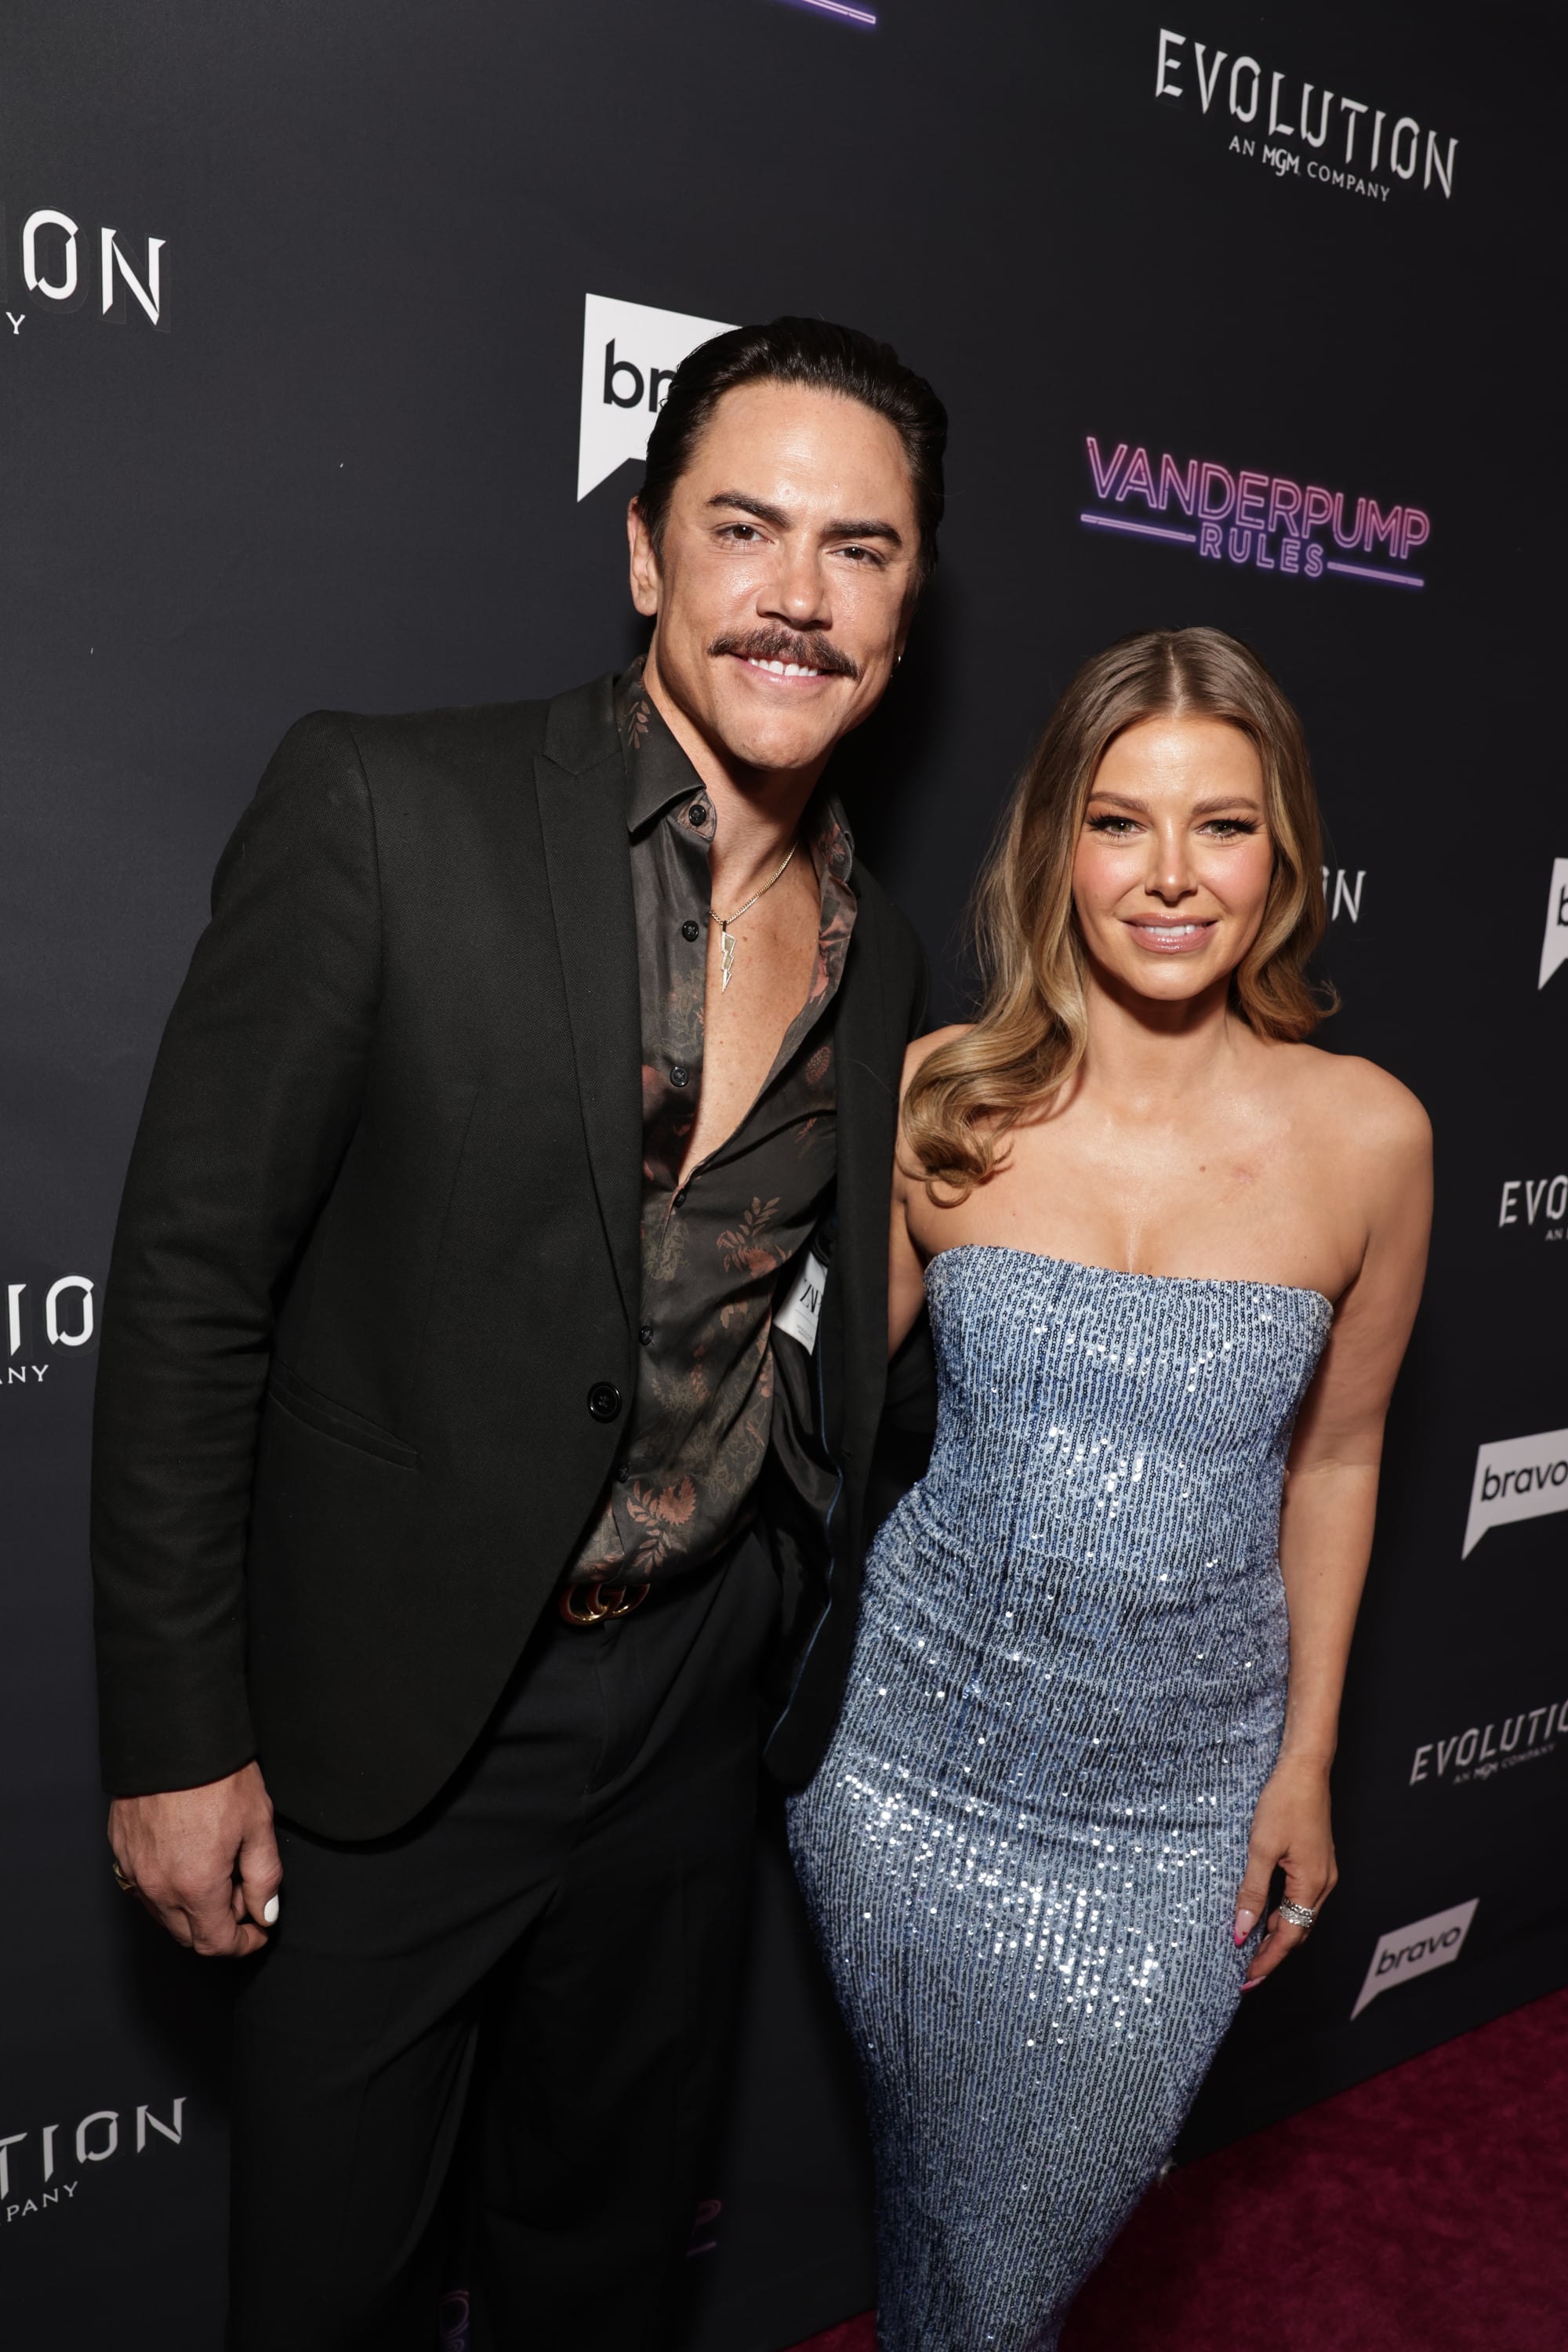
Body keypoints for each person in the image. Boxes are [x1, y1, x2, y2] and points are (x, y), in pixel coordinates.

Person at [90, 316, 945, 2351]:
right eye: (747, 529)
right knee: (329, 2285)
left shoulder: (885, 943)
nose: (800, 598)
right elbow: (195, 1287)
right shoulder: (391, 809)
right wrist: (178, 1735)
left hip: (687, 1720)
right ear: (645, 550)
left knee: (602, 2264)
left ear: (910, 607)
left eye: (862, 550)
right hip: (387, 1725)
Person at [788, 627, 1432, 2349]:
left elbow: (1343, 1457)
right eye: (1117, 820)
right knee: (943, 2224)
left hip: (1174, 1820)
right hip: (904, 1773)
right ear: (1053, 844)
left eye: (1219, 826)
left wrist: (1301, 1766)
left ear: (1282, 855)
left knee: (1008, 2264)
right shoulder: (947, 1091)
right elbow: (803, 1406)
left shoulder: (1368, 1134)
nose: (1167, 877)